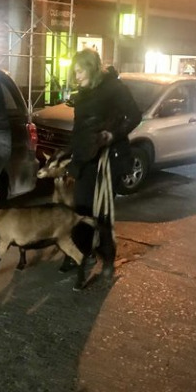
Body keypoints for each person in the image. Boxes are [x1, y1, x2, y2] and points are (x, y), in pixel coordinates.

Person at [67, 50, 141, 275]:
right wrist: (69, 154)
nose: (76, 76)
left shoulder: (114, 88)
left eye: (79, 71)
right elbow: (81, 127)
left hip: (105, 159)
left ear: (90, 68)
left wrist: (112, 135)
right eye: (75, 72)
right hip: (84, 156)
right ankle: (80, 253)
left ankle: (107, 256)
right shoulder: (85, 91)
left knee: (101, 210)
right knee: (81, 207)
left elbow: (135, 116)